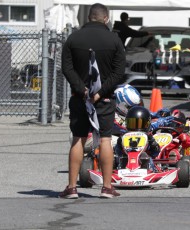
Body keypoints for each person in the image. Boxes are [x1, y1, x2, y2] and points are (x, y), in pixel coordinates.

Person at [60, 3, 126, 199]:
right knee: (105, 139)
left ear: (89, 17)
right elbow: (119, 72)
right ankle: (106, 187)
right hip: (104, 99)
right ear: (106, 18)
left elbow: (67, 69)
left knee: (78, 138)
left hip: (79, 98)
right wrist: (100, 92)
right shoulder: (114, 40)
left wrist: (82, 90)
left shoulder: (73, 39)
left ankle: (72, 187)